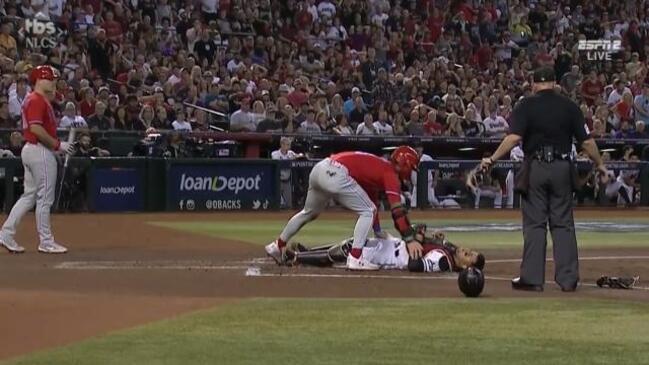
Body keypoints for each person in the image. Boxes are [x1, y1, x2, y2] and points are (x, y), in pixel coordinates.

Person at [480, 67, 609, 292]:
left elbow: (513, 138)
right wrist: (600, 164)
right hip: (562, 167)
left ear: (535, 84)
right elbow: (587, 142)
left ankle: (532, 278)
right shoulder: (569, 106)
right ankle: (568, 280)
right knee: (563, 224)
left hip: (536, 168)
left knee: (535, 224)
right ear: (554, 83)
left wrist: (491, 158)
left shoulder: (526, 105)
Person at [265, 146, 424, 270]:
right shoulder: (389, 173)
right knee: (367, 211)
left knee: (309, 212)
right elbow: (397, 211)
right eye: (411, 168)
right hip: (336, 173)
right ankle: (355, 258)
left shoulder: (379, 168)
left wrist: (377, 231)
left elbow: (372, 201)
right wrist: (409, 239)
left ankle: (277, 245)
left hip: (320, 168)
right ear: (406, 165)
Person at [0, 66, 75, 254]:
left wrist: (54, 147)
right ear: (39, 81)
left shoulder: (38, 99)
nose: (53, 82)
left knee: (29, 196)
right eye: (50, 79)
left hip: (34, 150)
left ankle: (6, 234)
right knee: (44, 198)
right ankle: (46, 241)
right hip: (39, 151)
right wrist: (58, 145)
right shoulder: (36, 100)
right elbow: (36, 129)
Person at [284, 224, 485, 274]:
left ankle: (298, 257)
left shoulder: (443, 260)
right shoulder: (448, 250)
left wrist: (416, 239)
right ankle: (308, 251)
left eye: (471, 257)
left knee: (348, 250)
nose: (468, 252)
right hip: (393, 245)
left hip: (391, 256)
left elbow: (415, 265)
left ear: (468, 268)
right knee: (354, 240)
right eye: (472, 251)